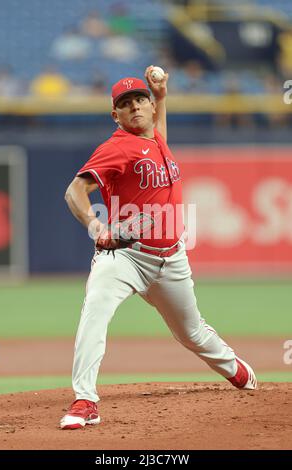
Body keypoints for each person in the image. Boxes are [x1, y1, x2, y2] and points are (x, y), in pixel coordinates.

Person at [60, 66, 257, 430]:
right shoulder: (115, 147)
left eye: (139, 100)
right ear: (115, 114)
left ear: (149, 107)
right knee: (94, 316)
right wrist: (95, 225)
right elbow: (74, 191)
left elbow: (159, 131)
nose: (134, 107)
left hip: (171, 259)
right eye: (125, 103)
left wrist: (162, 95)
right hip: (124, 257)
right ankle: (85, 399)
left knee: (192, 332)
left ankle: (237, 370)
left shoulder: (156, 140)